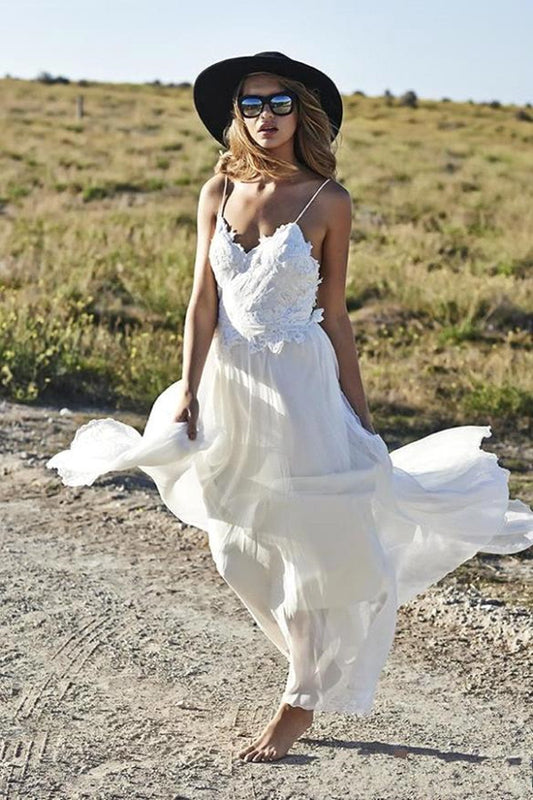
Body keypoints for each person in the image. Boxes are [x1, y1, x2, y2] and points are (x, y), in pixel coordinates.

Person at [47, 51, 533, 764]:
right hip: (225, 382)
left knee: (302, 535)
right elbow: (200, 302)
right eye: (250, 103)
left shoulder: (326, 200)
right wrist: (186, 386)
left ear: (300, 113)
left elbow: (334, 314)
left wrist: (360, 414)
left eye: (278, 103)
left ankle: (298, 697)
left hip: (298, 385)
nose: (263, 116)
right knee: (236, 547)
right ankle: (312, 664)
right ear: (234, 114)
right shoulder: (216, 190)